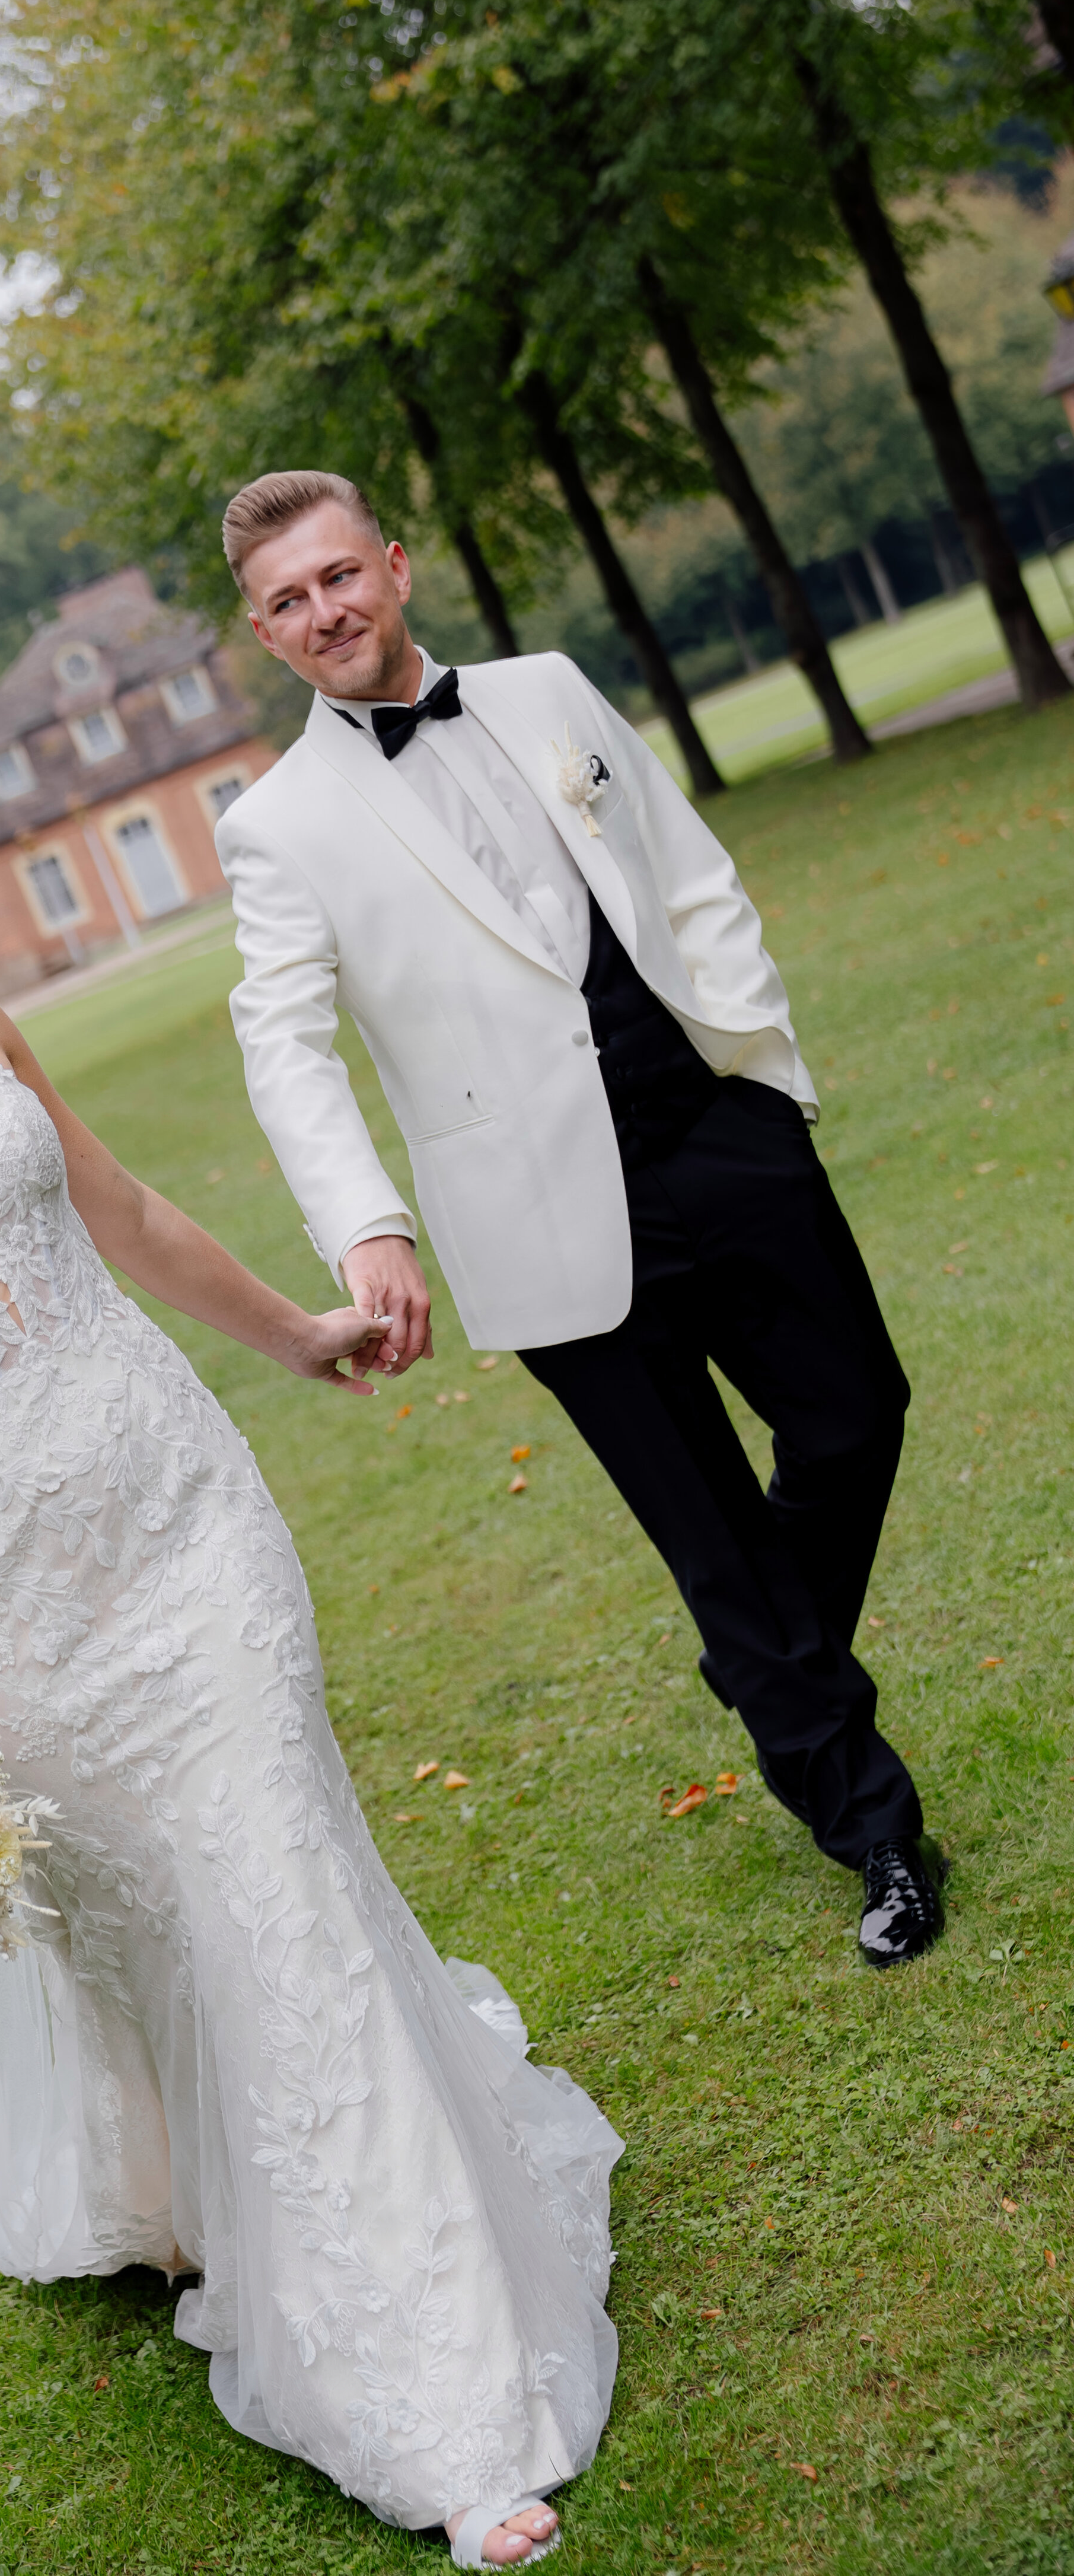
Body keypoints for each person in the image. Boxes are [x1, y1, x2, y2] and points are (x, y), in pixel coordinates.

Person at [0, 737, 619, 2565]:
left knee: (283, 1884)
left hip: (183, 1518)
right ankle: (183, 2180)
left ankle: (437, 2390)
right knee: (164, 1924)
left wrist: (294, 1333)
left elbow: (123, 1210)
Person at [213, 469, 944, 1972]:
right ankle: (872, 1826)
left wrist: (760, 1065)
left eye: (340, 576)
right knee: (709, 1534)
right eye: (286, 600)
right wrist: (369, 1224)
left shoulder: (549, 691)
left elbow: (687, 867)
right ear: (263, 631)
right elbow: (281, 1042)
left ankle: (765, 1664)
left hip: (716, 1132)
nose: (324, 612)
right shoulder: (278, 824)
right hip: (534, 1213)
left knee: (857, 1416)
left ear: (396, 567)